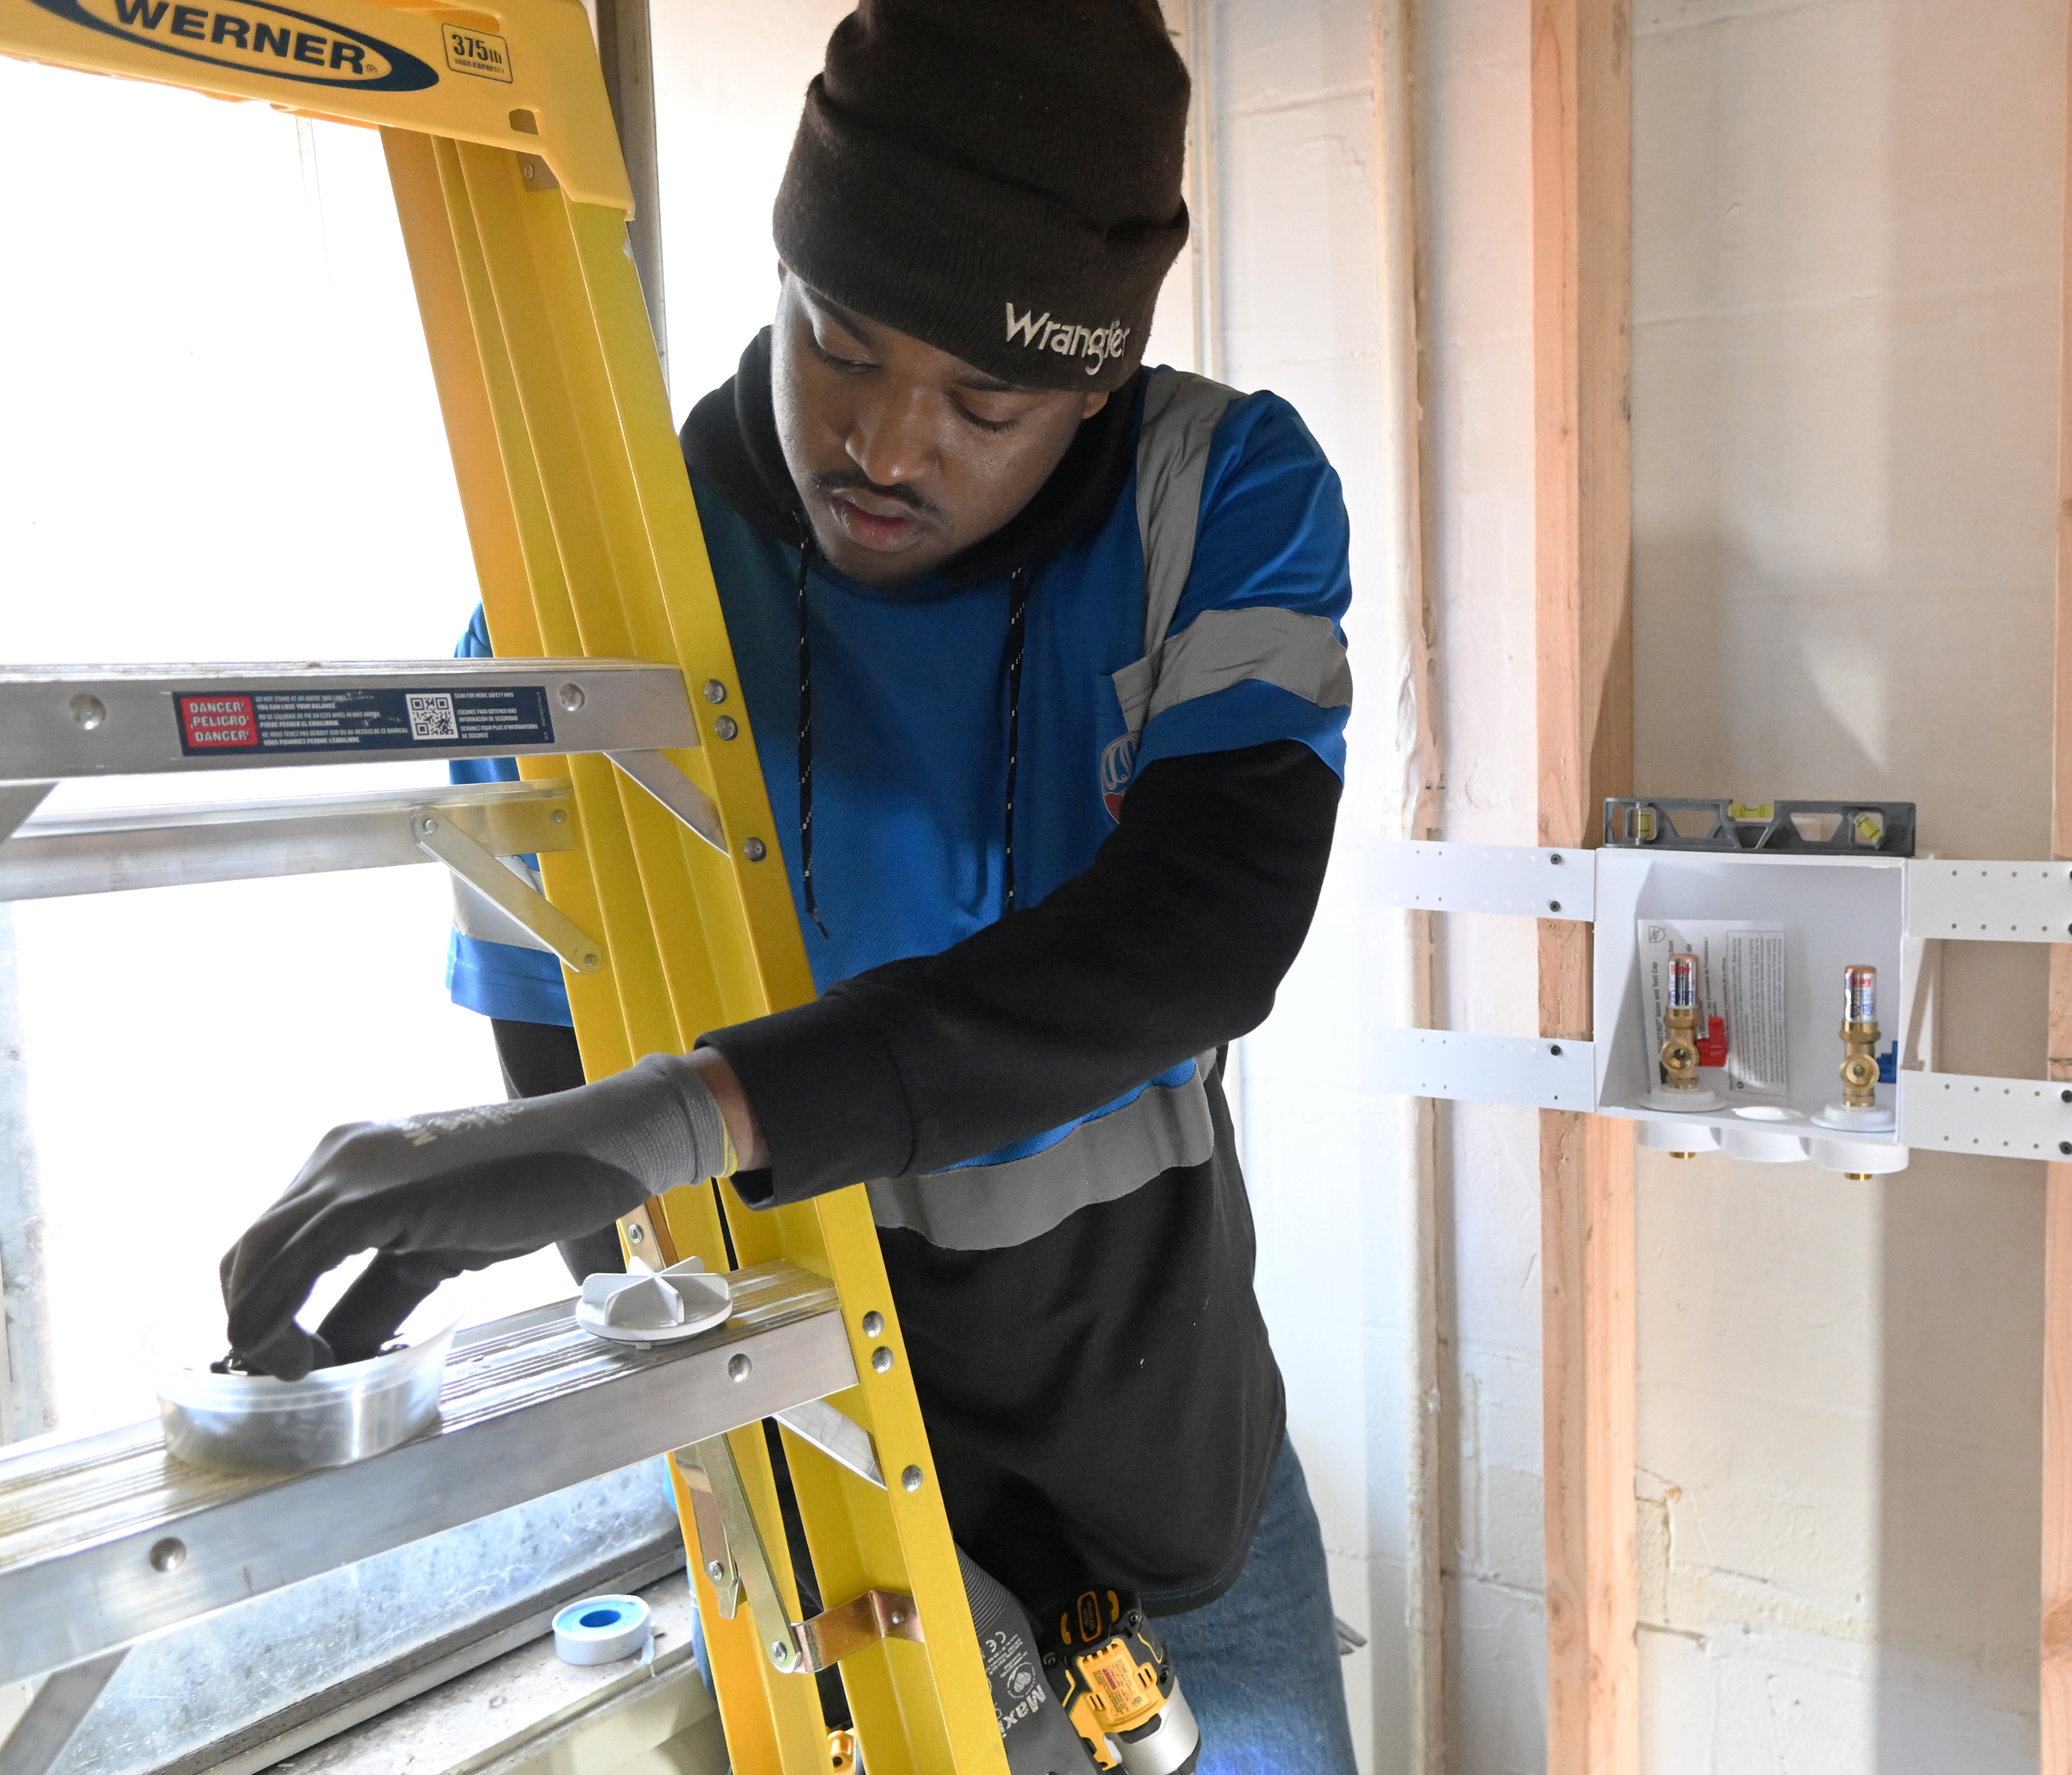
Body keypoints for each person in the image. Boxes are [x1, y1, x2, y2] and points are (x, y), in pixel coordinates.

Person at [215, 2, 1360, 1769]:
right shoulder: (593, 592)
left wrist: (687, 1110)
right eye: (838, 342)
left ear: (1100, 382)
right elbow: (569, 1108)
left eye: (985, 400)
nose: (886, 447)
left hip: (1175, 1480)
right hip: (838, 1513)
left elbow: (1201, 929)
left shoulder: (1215, 500)